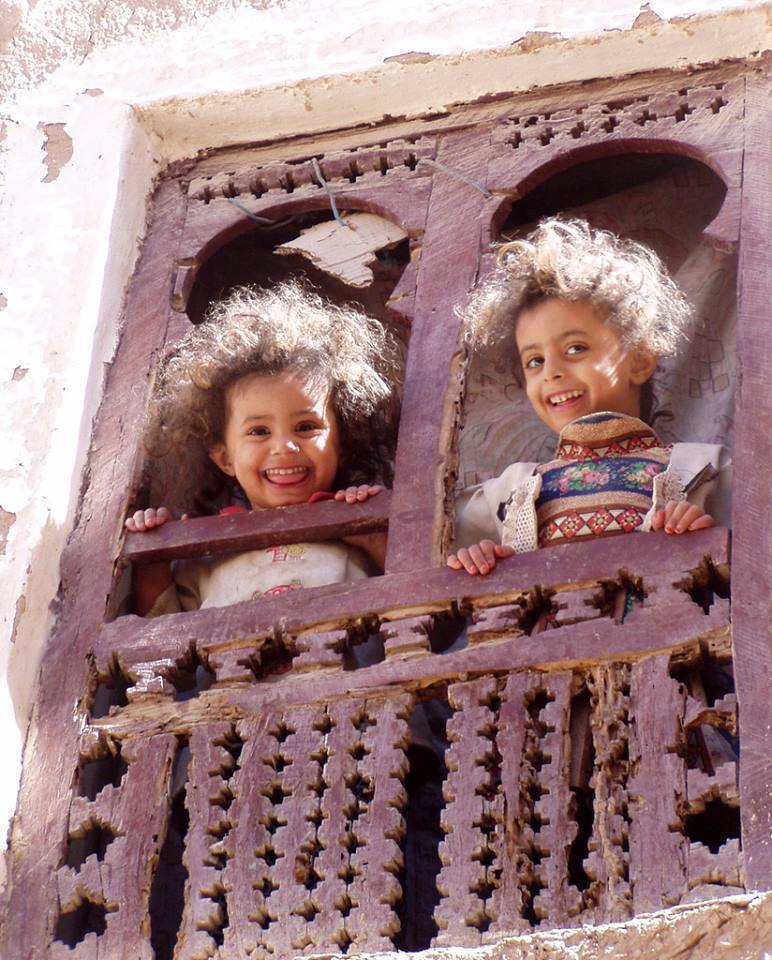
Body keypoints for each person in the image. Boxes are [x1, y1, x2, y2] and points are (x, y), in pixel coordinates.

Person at [447, 218, 730, 576]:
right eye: (535, 361)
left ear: (641, 359)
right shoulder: (511, 492)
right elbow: (433, 552)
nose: (551, 371)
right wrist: (477, 558)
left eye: (576, 348)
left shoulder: (702, 468)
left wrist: (698, 540)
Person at [126, 280, 401, 615]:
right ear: (224, 457)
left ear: (342, 444)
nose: (284, 446)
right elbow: (160, 625)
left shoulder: (356, 527)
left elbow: (415, 597)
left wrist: (372, 534)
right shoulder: (206, 553)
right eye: (258, 431)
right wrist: (153, 552)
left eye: (306, 427)